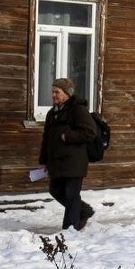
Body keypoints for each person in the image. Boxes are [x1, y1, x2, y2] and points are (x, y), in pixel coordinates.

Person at [39, 77, 97, 231]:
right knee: (55, 190)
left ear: (66, 94)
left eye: (57, 92)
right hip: (57, 162)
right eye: (52, 92)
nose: (53, 95)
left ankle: (70, 229)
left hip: (74, 161)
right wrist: (44, 160)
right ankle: (84, 211)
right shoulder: (52, 113)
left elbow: (90, 132)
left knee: (71, 195)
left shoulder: (78, 110)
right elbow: (46, 138)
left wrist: (68, 136)